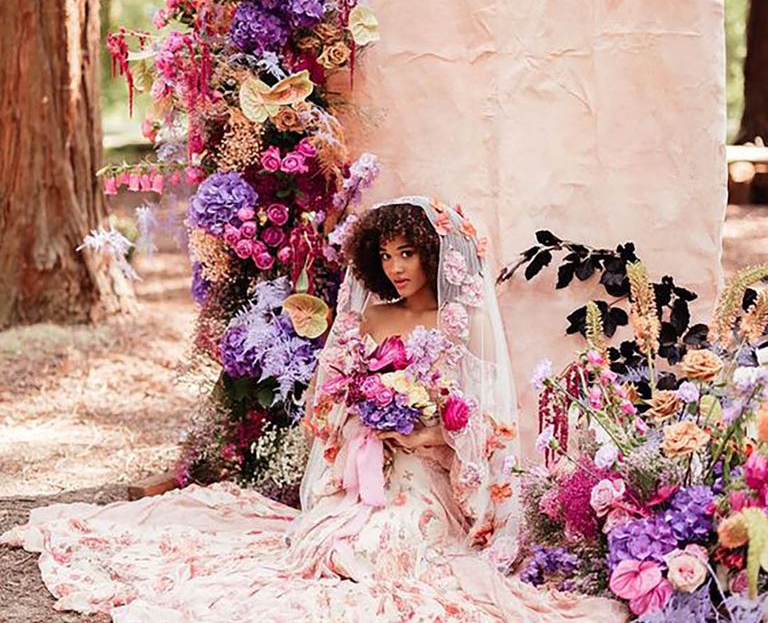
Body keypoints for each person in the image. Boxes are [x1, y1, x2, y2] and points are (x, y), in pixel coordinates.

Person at [1, 196, 626, 622]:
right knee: (333, 547)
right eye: (384, 256)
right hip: (366, 467)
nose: (395, 267)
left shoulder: (457, 321)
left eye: (407, 253)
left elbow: (484, 420)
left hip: (428, 473)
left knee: (398, 549)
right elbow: (330, 401)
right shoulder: (373, 314)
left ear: (433, 256)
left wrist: (427, 431)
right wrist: (369, 416)